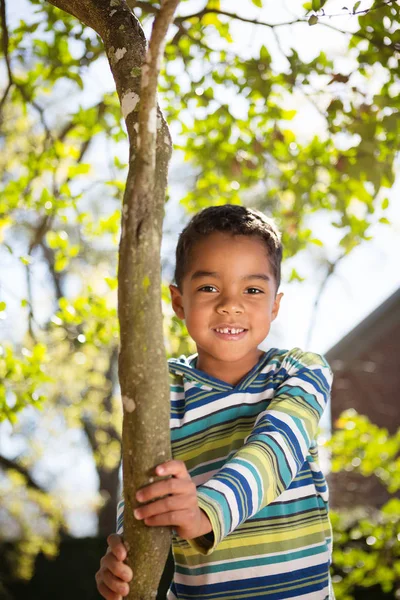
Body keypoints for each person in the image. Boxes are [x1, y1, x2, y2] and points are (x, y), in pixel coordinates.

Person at [96, 204, 334, 600]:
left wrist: (204, 512)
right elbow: (141, 487)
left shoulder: (300, 371)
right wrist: (123, 555)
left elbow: (274, 449)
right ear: (178, 302)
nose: (231, 304)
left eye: (253, 290)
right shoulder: (161, 389)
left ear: (275, 304)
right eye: (209, 287)